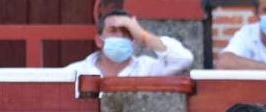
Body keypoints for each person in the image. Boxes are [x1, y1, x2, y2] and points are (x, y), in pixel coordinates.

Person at [64, 9, 194, 77]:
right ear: (99, 41)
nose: (120, 36)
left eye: (127, 31)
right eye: (113, 31)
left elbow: (183, 59)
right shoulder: (76, 71)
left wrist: (142, 35)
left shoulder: (147, 69)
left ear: (134, 41)